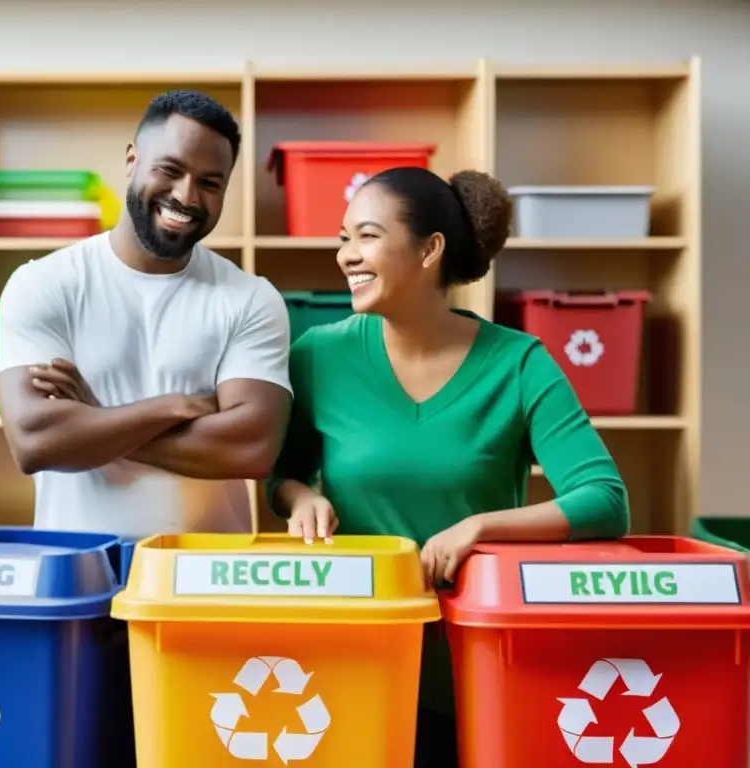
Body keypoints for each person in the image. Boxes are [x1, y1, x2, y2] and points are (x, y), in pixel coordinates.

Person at [266, 166, 630, 767]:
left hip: (480, 661)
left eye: (366, 236)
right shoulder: (317, 356)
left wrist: (481, 527)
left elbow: (603, 499)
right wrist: (301, 498)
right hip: (353, 657)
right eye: (342, 238)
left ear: (430, 249)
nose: (346, 257)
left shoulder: (519, 363)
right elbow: (281, 475)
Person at [0, 90, 292, 540]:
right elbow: (36, 442)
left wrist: (95, 417)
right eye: (170, 170)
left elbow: (249, 449)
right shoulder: (43, 283)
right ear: (132, 160)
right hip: (79, 572)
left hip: (206, 581)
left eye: (210, 183)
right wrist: (173, 406)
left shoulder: (250, 299)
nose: (186, 195)